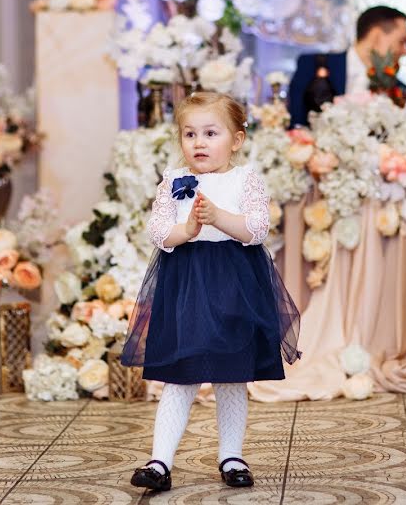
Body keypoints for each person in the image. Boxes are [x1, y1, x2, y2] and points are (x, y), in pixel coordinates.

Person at [121, 92, 301, 493]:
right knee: (179, 376)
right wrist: (184, 231)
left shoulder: (244, 179)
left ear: (235, 140)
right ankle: (159, 461)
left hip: (234, 286)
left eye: (210, 133)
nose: (198, 142)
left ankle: (231, 456)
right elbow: (157, 231)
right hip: (186, 285)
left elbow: (257, 229)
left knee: (231, 376)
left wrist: (219, 216)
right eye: (190, 134)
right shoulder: (173, 180)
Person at [287, 5, 406, 126]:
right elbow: (296, 124)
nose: (405, 51)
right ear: (376, 34)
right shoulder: (313, 64)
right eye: (401, 41)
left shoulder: (398, 89)